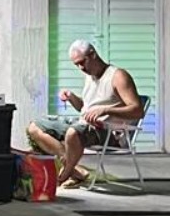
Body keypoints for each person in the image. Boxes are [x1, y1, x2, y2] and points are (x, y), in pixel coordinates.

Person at [27, 40, 143, 189]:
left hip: (109, 132)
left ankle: (66, 173)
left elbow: (137, 110)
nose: (81, 68)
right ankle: (75, 170)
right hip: (84, 125)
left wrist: (106, 110)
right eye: (76, 65)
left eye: (82, 62)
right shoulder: (89, 76)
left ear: (93, 54)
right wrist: (71, 97)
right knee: (34, 127)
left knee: (72, 133)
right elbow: (85, 108)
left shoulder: (118, 76)